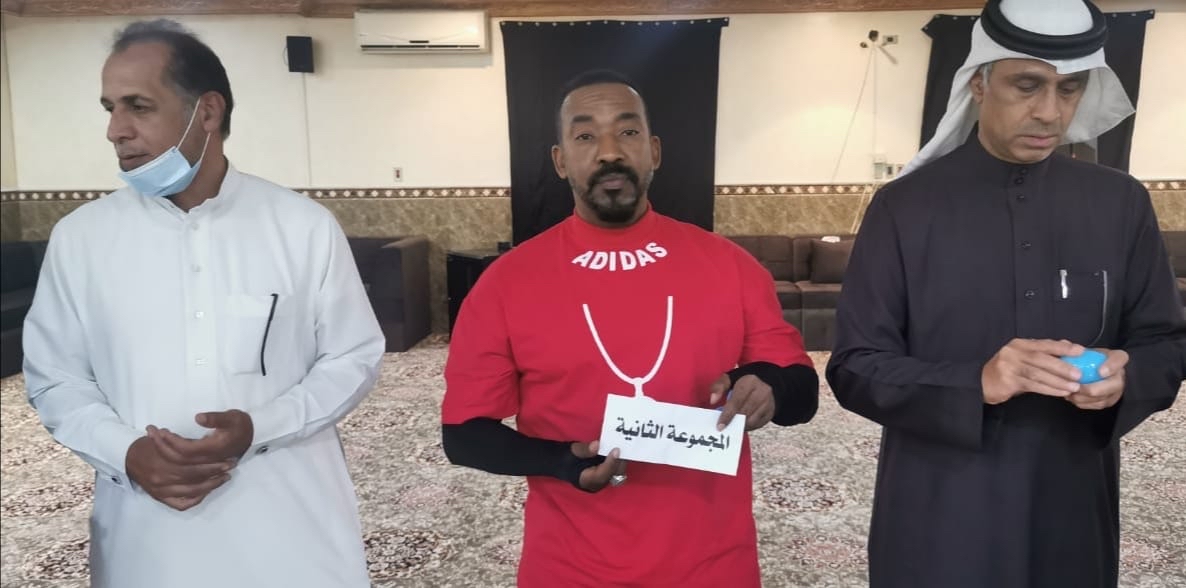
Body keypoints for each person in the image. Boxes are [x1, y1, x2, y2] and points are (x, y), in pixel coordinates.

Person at [826, 1, 1186, 587]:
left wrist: (1127, 377)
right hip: (938, 503)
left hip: (1072, 502)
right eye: (1027, 85)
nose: (1049, 111)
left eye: (1069, 89)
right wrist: (977, 382)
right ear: (979, 82)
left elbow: (1165, 344)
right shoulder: (904, 207)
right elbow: (855, 366)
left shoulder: (1120, 203)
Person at [22, 19, 384, 588]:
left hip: (291, 525)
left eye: (138, 106)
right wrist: (127, 453)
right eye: (110, 108)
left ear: (207, 112)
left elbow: (352, 356)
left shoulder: (301, 227)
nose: (116, 130)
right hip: (145, 533)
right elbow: (55, 377)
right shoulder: (81, 238)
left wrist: (260, 427)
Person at [440, 69, 818, 586]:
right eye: (585, 136)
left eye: (628, 131)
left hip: (713, 565)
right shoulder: (505, 283)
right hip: (568, 568)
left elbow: (802, 391)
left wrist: (771, 386)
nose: (609, 152)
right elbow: (464, 434)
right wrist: (562, 461)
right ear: (560, 161)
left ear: (654, 151)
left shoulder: (731, 266)